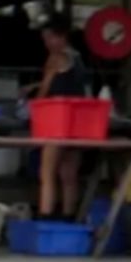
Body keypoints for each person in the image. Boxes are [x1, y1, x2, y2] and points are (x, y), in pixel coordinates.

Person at [21, 13, 88, 220]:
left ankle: (46, 215)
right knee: (69, 176)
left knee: (47, 172)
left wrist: (33, 105)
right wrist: (34, 85)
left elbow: (46, 89)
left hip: (57, 122)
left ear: (61, 36)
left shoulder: (55, 58)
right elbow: (65, 81)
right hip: (78, 122)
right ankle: (69, 218)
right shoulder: (77, 58)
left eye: (49, 38)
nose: (47, 43)